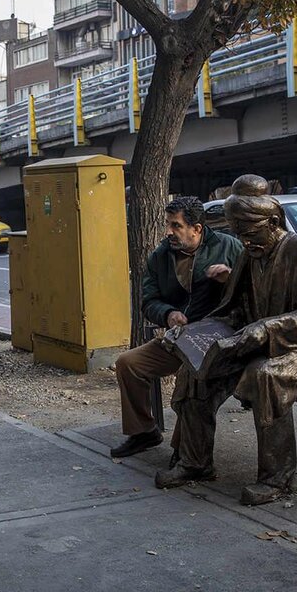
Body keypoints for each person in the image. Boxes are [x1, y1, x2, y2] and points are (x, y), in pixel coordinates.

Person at [156, 174, 297, 506]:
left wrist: (268, 329)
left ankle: (277, 478)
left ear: (272, 222)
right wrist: (190, 333)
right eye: (238, 233)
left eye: (250, 233)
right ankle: (195, 462)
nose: (244, 241)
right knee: (196, 369)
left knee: (264, 376)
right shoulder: (248, 254)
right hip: (251, 340)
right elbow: (235, 310)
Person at [109, 196, 243, 459]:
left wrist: (230, 279)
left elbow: (254, 292)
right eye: (168, 224)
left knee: (190, 380)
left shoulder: (228, 247)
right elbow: (148, 301)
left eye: (176, 225)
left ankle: (184, 453)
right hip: (181, 337)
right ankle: (144, 432)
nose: (169, 231)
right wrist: (168, 314)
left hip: (220, 340)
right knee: (128, 363)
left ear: (197, 229)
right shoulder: (161, 256)